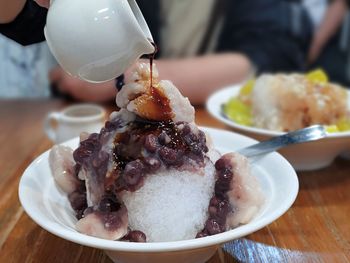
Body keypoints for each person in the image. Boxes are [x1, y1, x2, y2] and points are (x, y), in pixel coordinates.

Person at [0, 0, 312, 104]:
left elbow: (270, 59)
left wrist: (118, 81)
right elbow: (25, 20)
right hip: (101, 117)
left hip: (227, 119)